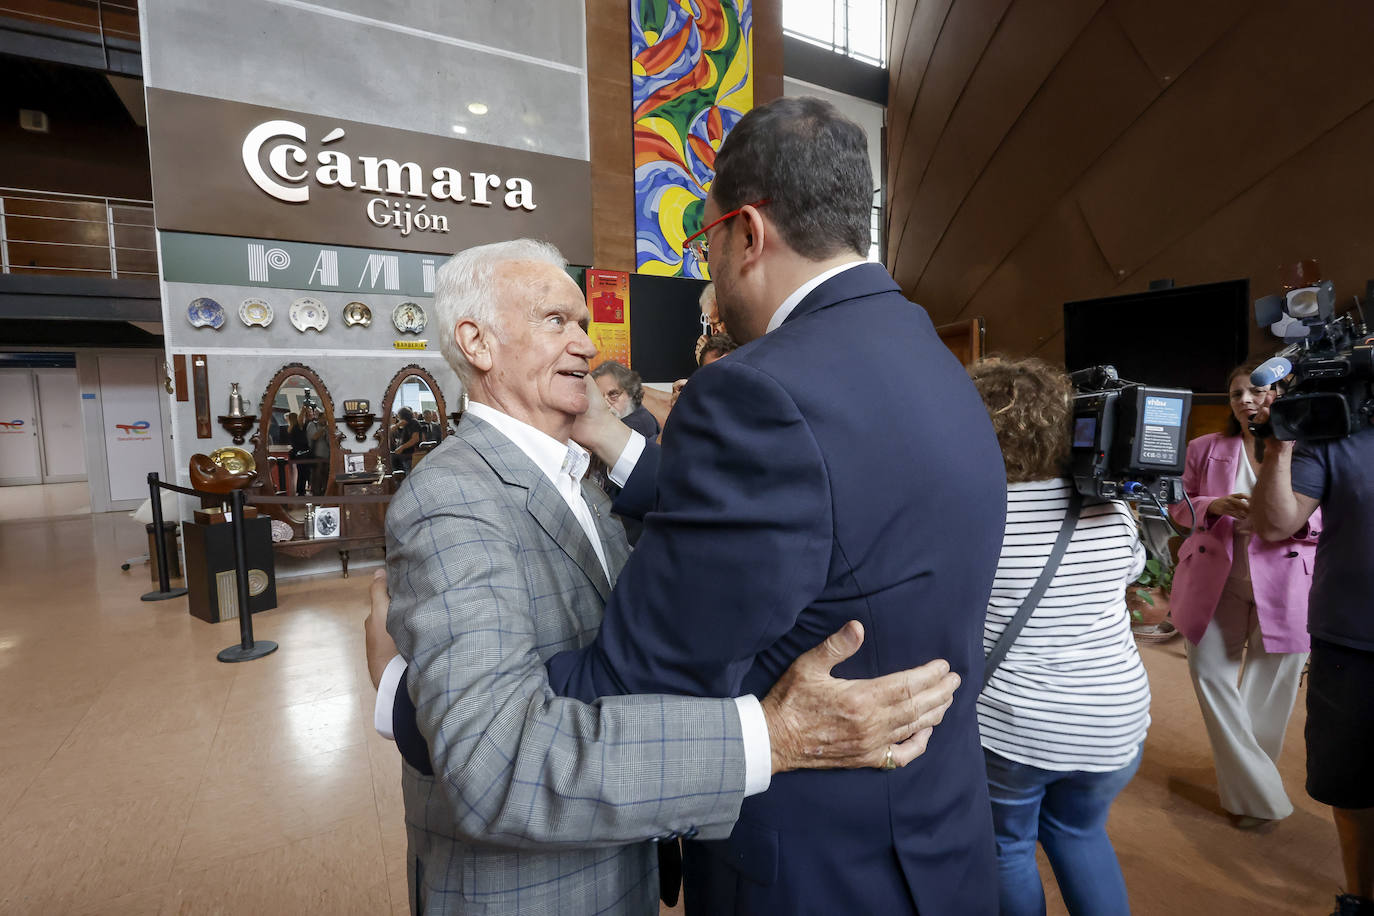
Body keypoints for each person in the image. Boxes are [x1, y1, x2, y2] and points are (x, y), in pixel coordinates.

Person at [379, 237, 964, 916]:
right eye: (554, 321)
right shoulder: (452, 496)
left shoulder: (579, 473)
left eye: (581, 322)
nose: (585, 345)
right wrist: (775, 739)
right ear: (476, 343)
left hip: (610, 864)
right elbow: (495, 763)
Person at [541, 95, 1007, 914]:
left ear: (746, 233)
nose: (709, 272)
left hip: (812, 865)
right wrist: (611, 441)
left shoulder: (757, 389)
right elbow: (822, 520)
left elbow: (636, 681)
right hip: (937, 835)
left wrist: (436, 687)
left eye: (706, 243)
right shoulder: (934, 359)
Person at [967, 356, 1150, 916]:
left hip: (1018, 729)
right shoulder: (1113, 510)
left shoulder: (975, 518)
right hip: (1114, 722)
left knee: (1007, 845)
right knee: (1079, 833)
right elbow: (1131, 572)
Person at [1168, 363, 1320, 828]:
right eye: (1236, 394)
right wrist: (1212, 506)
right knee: (1209, 673)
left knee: (1270, 689)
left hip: (1290, 579)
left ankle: (1250, 793)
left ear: (1280, 392)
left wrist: (1288, 521)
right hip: (1216, 576)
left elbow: (1334, 513)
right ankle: (1260, 789)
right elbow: (1177, 506)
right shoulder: (1203, 448)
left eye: (1257, 390)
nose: (1246, 400)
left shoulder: (1313, 447)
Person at [1250, 398, 1374, 916]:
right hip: (1350, 642)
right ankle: (1362, 900)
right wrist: (1278, 451)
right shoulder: (1338, 432)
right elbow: (1275, 524)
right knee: (1350, 786)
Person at [591, 360, 660, 440]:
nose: (605, 404)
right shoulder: (639, 414)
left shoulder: (635, 426)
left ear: (631, 392)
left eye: (613, 394)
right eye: (600, 397)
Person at [287, 410, 311, 496]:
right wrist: (303, 409)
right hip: (303, 452)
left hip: (297, 453)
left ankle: (300, 490)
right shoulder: (297, 427)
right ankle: (302, 490)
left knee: (300, 472)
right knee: (305, 472)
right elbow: (301, 420)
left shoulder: (290, 428)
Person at [392, 406, 422, 473]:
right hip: (405, 457)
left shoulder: (414, 423)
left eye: (398, 416)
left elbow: (415, 439)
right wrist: (397, 425)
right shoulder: (404, 424)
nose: (397, 418)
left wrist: (401, 448)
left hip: (412, 456)